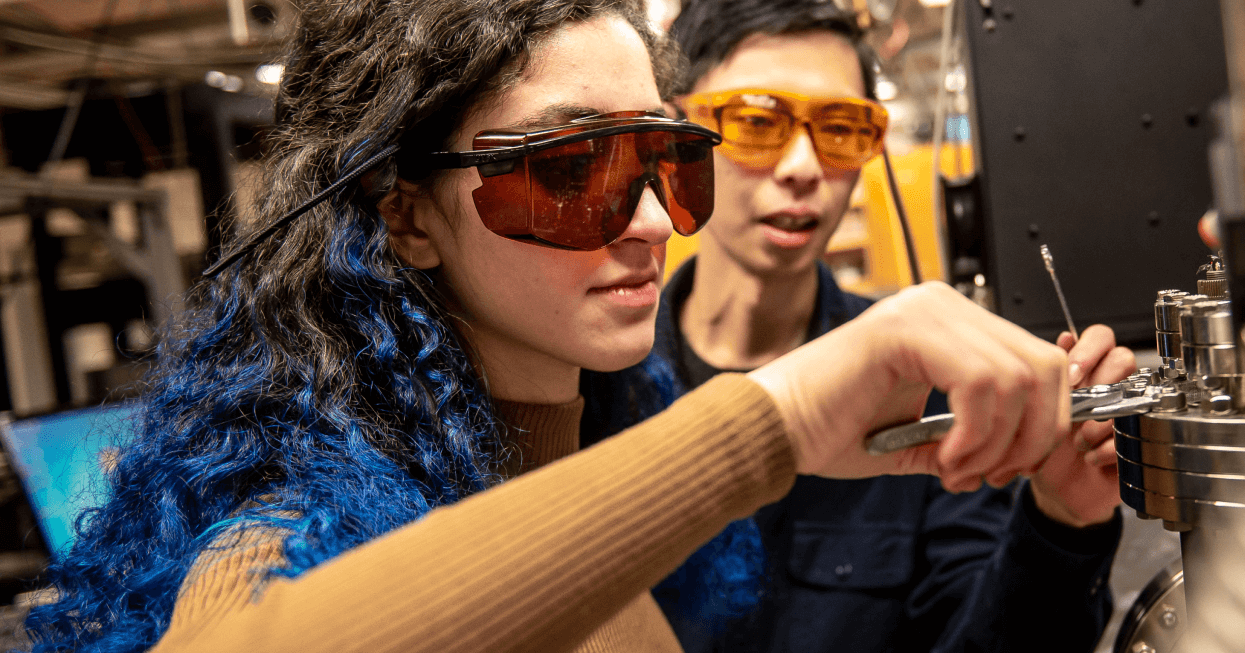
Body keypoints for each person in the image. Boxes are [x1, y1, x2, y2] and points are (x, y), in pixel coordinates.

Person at [22, 1, 1096, 651]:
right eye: (569, 167)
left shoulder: (567, 463)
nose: (644, 223)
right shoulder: (295, 527)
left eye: (661, 162)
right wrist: (774, 417)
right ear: (404, 210)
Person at [622, 2, 1134, 651]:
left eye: (839, 128)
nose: (803, 167)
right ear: (677, 133)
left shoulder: (927, 381)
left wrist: (1062, 518)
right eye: (756, 121)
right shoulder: (604, 383)